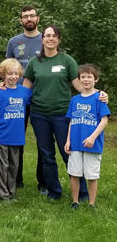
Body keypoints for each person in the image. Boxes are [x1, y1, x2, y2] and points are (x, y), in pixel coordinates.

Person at [23, 25, 106, 200]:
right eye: (47, 35)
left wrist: (98, 94)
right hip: (39, 115)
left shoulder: (67, 60)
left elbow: (80, 85)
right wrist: (7, 94)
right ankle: (54, 191)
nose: (50, 38)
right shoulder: (34, 62)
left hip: (63, 114)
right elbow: (25, 88)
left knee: (69, 152)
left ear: (58, 40)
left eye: (54, 36)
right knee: (46, 155)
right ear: (42, 39)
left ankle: (82, 193)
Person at [0, 59, 32, 200]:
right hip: (1, 135)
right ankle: (2, 194)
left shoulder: (24, 92)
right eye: (10, 73)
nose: (13, 77)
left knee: (14, 166)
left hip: (17, 136)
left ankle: (11, 191)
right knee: (2, 166)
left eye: (16, 74)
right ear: (3, 74)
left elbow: (39, 97)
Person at [6, 5, 43, 190]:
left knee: (43, 142)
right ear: (21, 20)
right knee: (16, 139)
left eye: (32, 16)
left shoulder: (47, 40)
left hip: (41, 98)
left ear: (37, 18)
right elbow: (6, 69)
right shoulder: (14, 42)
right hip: (17, 99)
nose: (29, 19)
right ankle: (16, 178)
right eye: (25, 16)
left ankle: (43, 182)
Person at [64, 64, 110, 209]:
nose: (86, 79)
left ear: (95, 79)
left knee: (91, 175)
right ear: (79, 79)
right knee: (74, 173)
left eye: (89, 77)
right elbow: (72, 121)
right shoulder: (75, 100)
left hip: (92, 144)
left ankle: (91, 203)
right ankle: (75, 201)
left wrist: (92, 137)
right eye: (83, 77)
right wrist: (68, 140)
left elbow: (104, 120)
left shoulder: (99, 98)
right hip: (76, 143)